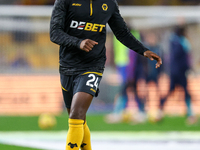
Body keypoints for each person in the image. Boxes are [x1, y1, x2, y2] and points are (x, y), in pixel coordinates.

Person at [50, 0, 162, 150]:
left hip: (93, 65)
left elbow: (122, 32)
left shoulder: (109, 3)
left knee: (77, 113)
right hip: (67, 66)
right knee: (78, 119)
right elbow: (54, 33)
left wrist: (143, 50)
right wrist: (78, 42)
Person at [158, 25, 196, 124]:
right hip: (179, 72)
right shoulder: (181, 43)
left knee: (177, 92)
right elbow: (183, 59)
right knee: (184, 93)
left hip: (176, 72)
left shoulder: (175, 42)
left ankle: (160, 110)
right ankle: (190, 114)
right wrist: (188, 68)